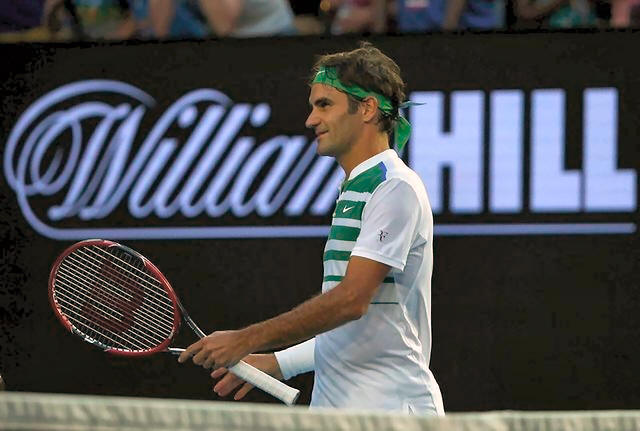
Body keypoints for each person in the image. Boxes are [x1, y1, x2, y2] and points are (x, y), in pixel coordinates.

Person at [179, 42, 444, 415]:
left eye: (324, 105)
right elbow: (359, 329)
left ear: (366, 108)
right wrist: (278, 363)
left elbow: (351, 301)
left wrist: (245, 339)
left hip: (391, 413)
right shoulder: (355, 188)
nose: (310, 120)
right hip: (338, 413)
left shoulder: (394, 186)